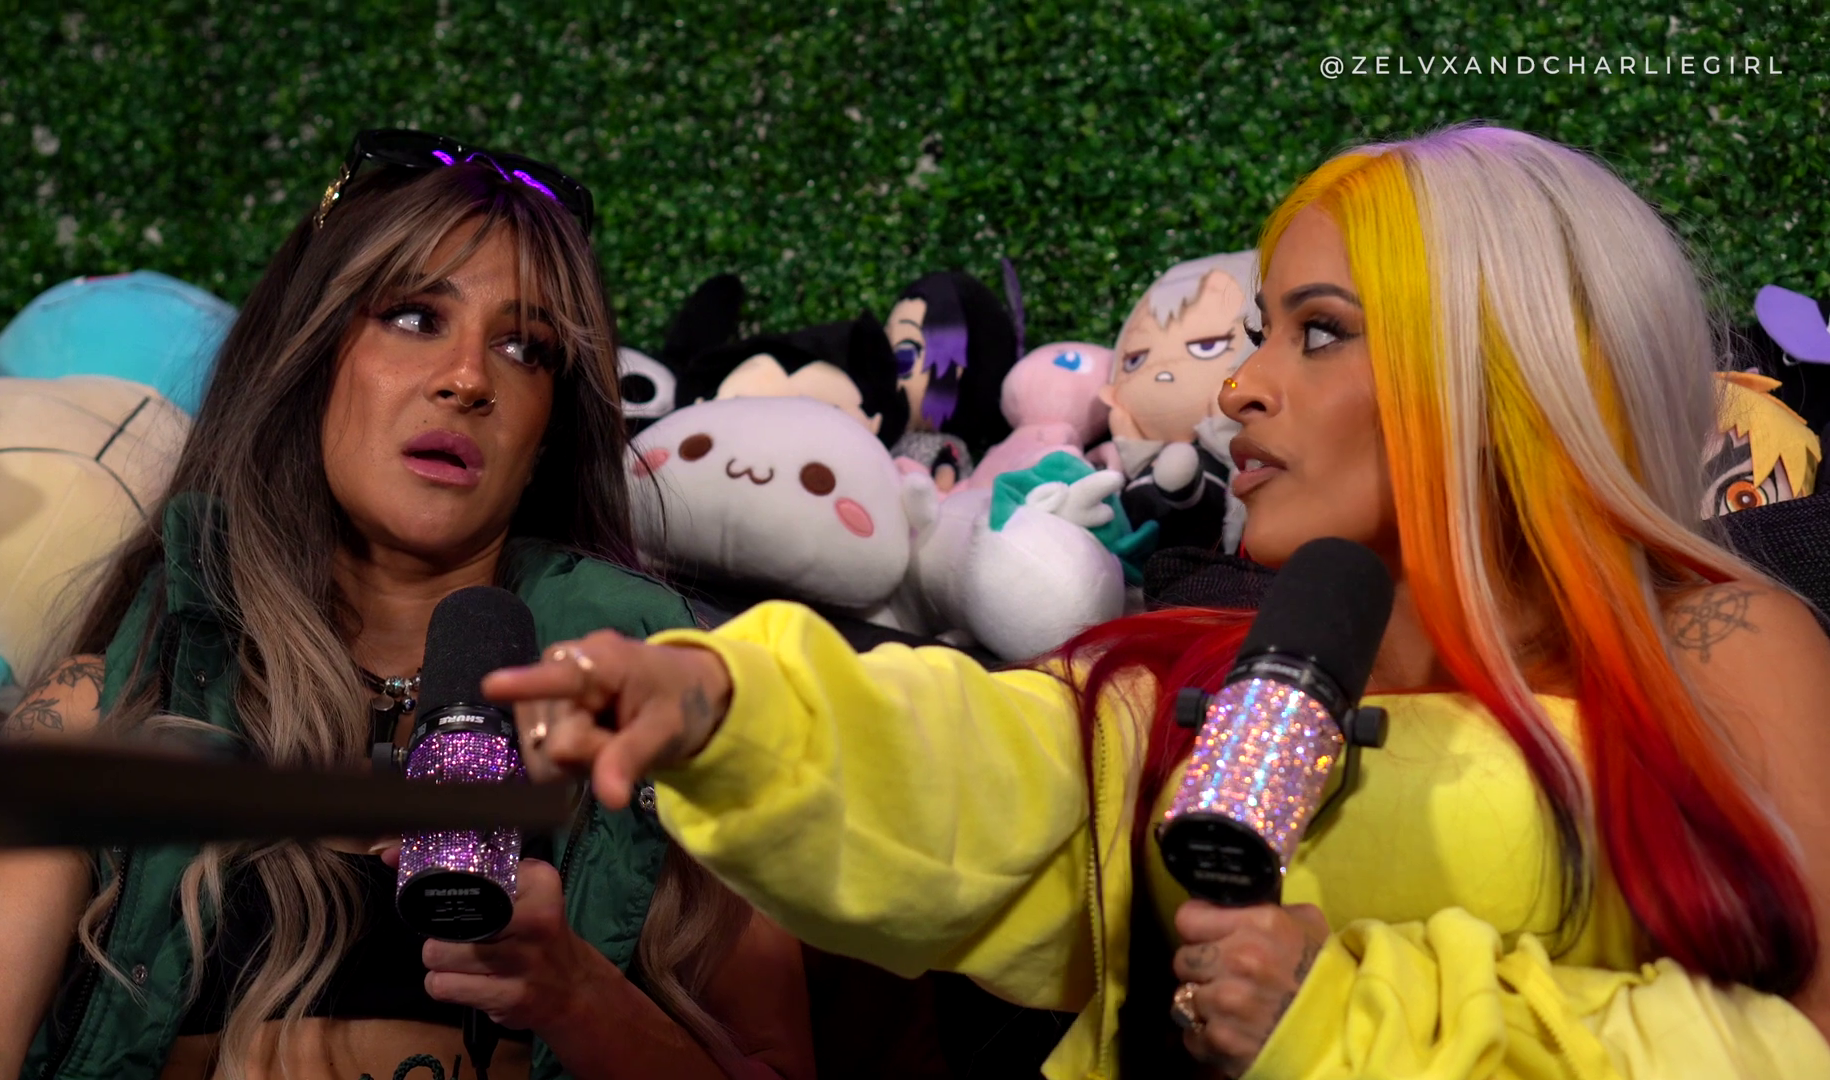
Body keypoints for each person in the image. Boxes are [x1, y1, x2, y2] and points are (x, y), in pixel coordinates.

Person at [488, 125, 1830, 1079]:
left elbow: (1796, 1047)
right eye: (1260, 335)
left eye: (1319, 332)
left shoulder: (1712, 639)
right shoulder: (1199, 670)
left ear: (1496, 368)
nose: (1240, 388)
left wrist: (1351, 1028)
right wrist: (725, 700)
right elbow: (983, 770)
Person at [0, 130, 813, 1080]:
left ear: (549, 433)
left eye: (525, 348)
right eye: (416, 317)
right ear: (312, 359)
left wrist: (578, 996)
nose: (468, 379)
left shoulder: (674, 707)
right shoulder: (114, 702)